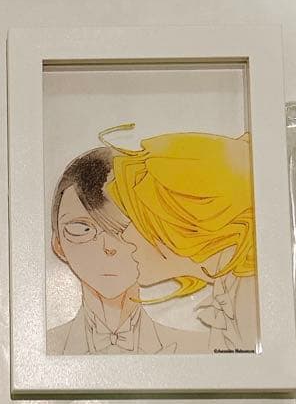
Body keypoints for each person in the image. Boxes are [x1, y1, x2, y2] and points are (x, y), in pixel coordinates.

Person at [103, 129, 259, 352]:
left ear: (187, 218)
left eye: (137, 217)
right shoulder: (232, 290)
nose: (126, 236)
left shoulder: (248, 300)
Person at [46, 148, 200, 354]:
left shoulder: (193, 347)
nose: (107, 247)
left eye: (123, 228)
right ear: (58, 245)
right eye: (81, 229)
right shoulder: (42, 348)